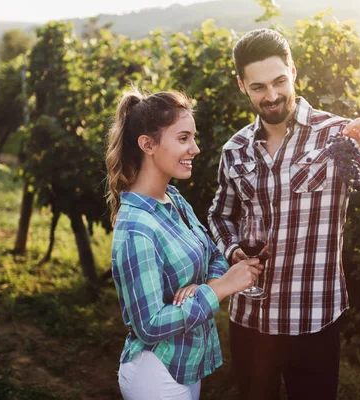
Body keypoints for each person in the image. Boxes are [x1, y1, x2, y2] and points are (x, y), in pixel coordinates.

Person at [208, 28, 360, 400]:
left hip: (312, 320)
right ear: (242, 86)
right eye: (259, 87)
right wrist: (232, 252)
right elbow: (220, 216)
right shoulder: (235, 149)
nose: (272, 95)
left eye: (279, 81)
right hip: (250, 320)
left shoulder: (338, 138)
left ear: (293, 71)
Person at [106, 89, 264, 400]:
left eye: (193, 137)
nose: (195, 148)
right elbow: (149, 325)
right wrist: (219, 289)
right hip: (156, 375)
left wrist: (203, 285)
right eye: (183, 138)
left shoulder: (173, 200)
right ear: (147, 144)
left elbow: (213, 255)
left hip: (184, 367)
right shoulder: (137, 227)